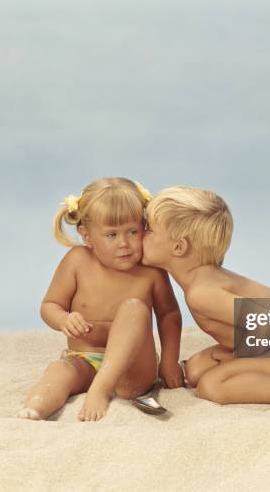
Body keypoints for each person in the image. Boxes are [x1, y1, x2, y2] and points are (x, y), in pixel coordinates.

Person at [141, 186, 270, 405]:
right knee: (193, 370)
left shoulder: (202, 293)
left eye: (148, 230)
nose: (140, 233)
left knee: (211, 385)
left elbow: (269, 320)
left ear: (178, 247)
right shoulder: (205, 279)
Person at [17, 177, 183, 422]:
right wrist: (64, 319)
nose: (124, 244)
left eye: (133, 231)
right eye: (111, 235)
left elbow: (169, 314)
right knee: (59, 371)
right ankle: (35, 409)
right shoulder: (77, 261)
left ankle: (102, 387)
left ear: (144, 227)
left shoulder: (151, 271)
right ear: (87, 236)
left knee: (134, 308)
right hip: (84, 358)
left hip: (133, 369)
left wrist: (169, 360)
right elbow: (50, 306)